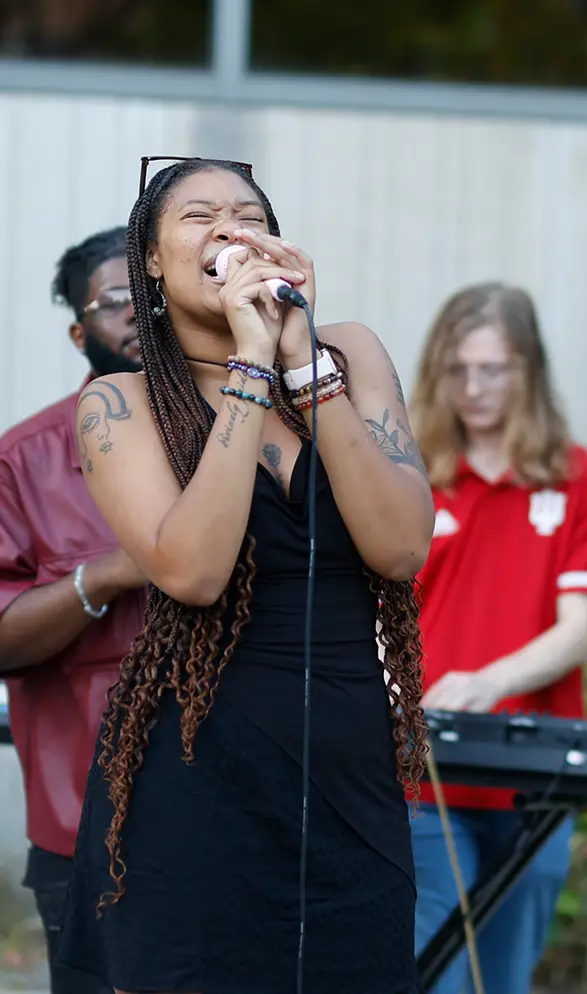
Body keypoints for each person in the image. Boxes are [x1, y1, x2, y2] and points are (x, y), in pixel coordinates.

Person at [51, 156, 436, 994]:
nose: (230, 229)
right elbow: (192, 570)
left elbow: (401, 547)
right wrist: (250, 370)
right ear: (150, 260)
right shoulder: (121, 403)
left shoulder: (349, 354)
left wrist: (303, 363)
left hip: (346, 761)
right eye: (198, 217)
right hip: (198, 768)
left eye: (246, 214)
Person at [407, 282, 587, 994]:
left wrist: (489, 681)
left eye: (493, 369)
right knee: (434, 968)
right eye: (456, 370)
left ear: (529, 369)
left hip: (537, 775)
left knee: (503, 976)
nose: (473, 388)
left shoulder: (583, 478)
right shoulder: (406, 475)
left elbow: (579, 631)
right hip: (421, 771)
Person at [0, 226, 148, 994]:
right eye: (119, 300)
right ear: (78, 329)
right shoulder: (23, 459)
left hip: (241, 813)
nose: (141, 314)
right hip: (86, 826)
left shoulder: (249, 433)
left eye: (156, 295)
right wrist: (113, 573)